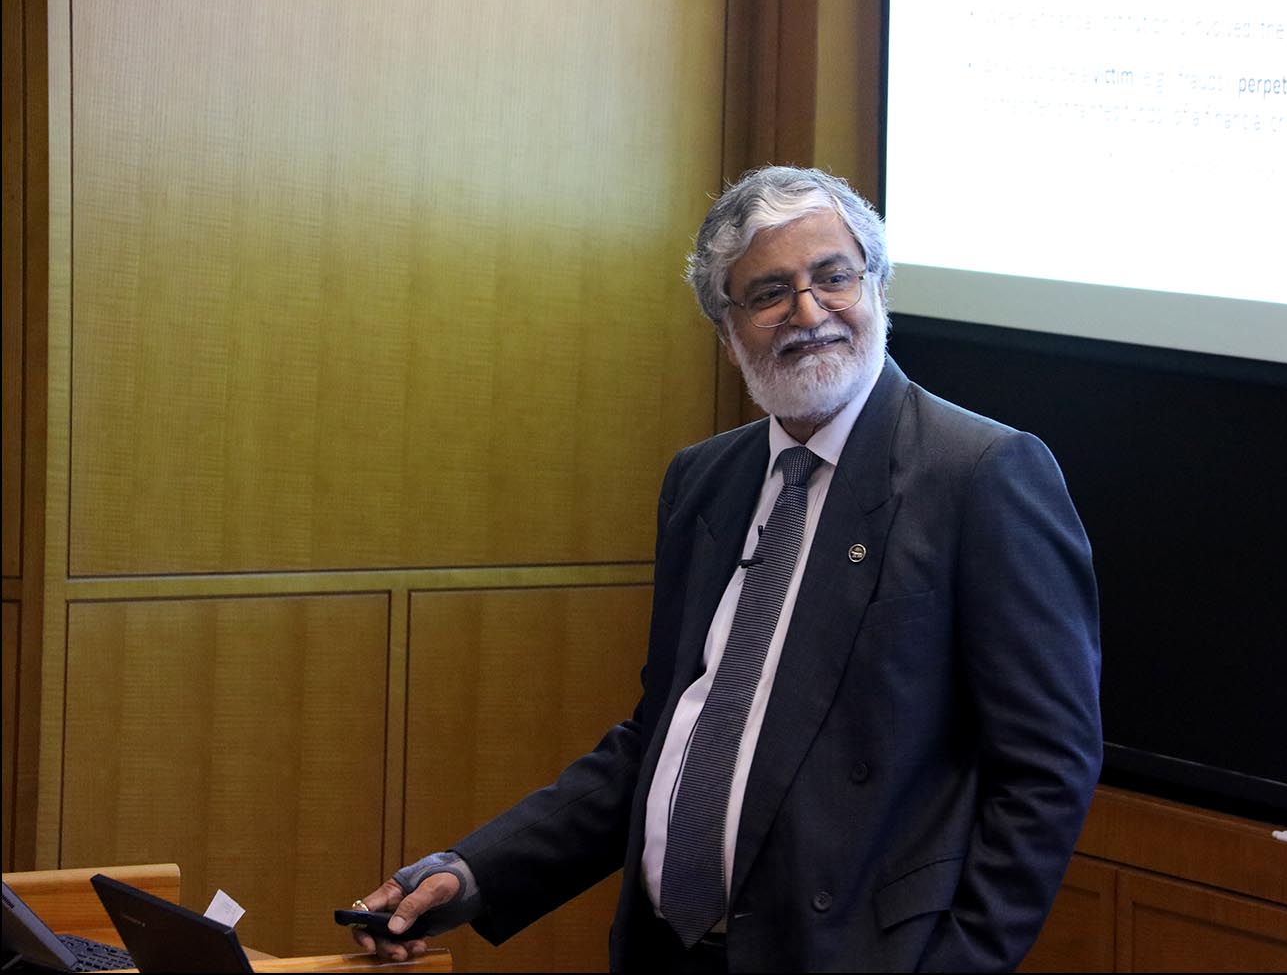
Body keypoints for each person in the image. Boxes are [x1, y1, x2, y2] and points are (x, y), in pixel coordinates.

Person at [350, 166, 1102, 973]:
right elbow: (663, 736)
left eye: (834, 277)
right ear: (727, 327)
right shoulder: (703, 481)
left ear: (878, 285)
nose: (808, 313)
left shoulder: (982, 474)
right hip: (668, 951)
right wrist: (476, 872)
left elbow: (1048, 769)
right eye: (771, 292)